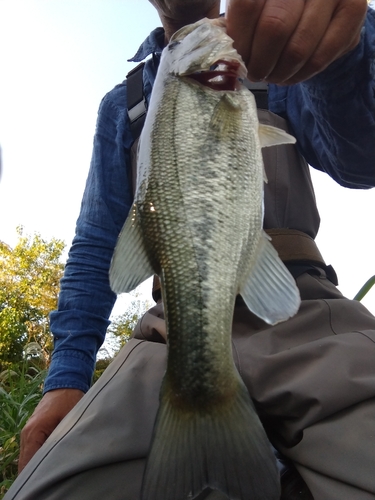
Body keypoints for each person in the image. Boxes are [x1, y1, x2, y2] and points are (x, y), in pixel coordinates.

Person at [5, 0, 375, 499]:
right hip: (169, 327)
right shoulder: (123, 103)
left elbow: (360, 161)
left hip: (297, 302)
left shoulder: (283, 62)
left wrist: (344, 49)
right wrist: (65, 377)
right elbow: (96, 245)